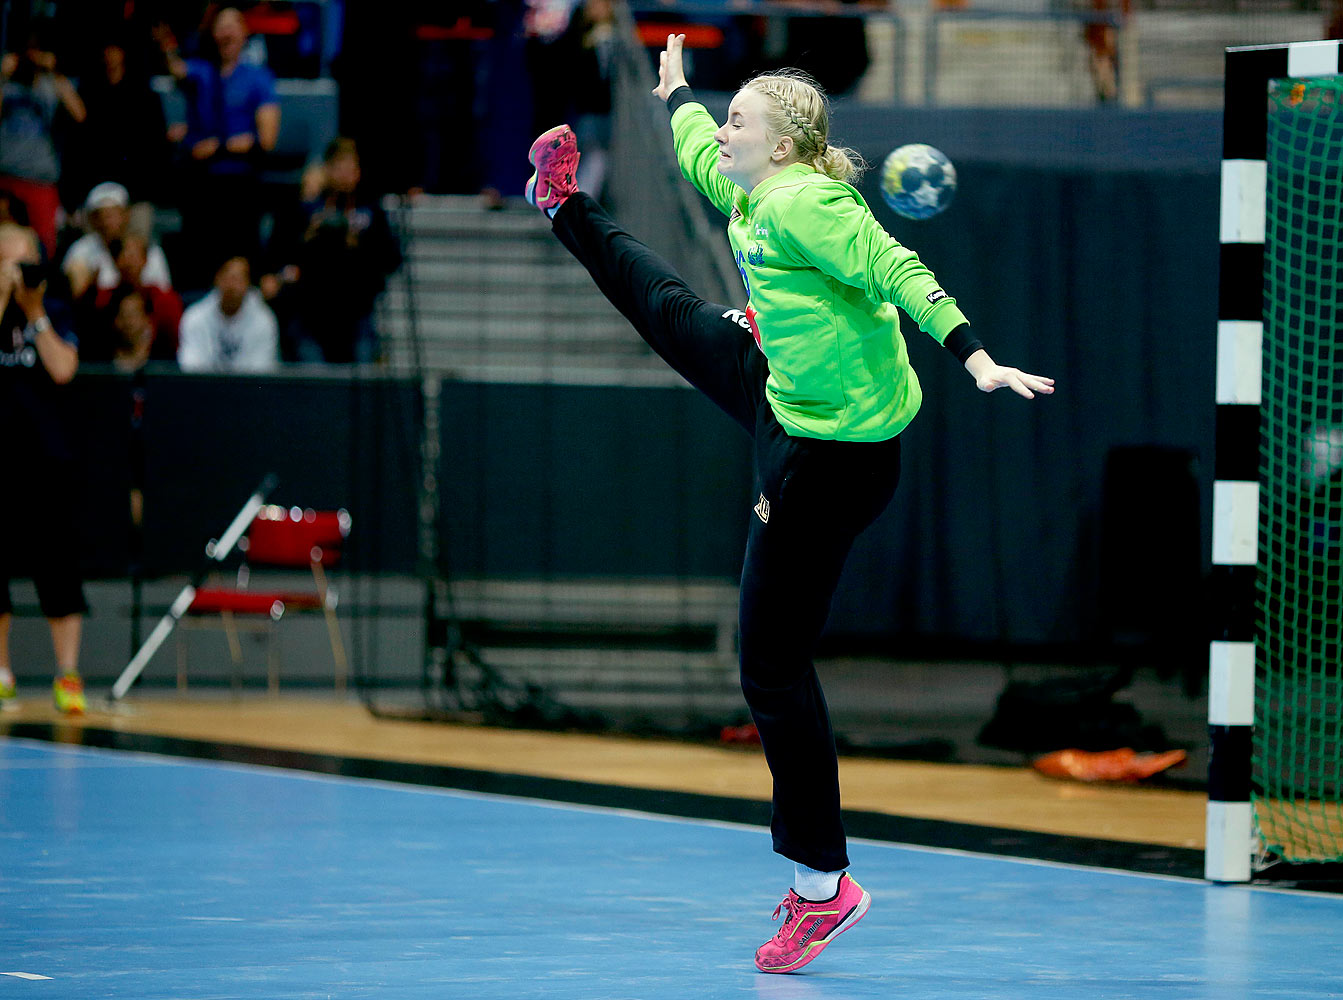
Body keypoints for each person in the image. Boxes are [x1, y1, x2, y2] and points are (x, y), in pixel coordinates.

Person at [523, 35, 1053, 974]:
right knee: (670, 308)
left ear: (781, 145)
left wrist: (974, 355)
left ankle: (825, 889)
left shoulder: (809, 202)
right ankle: (562, 202)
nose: (724, 129)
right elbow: (694, 148)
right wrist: (679, 90)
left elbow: (896, 270)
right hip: (784, 393)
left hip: (831, 459)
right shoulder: (748, 182)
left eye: (740, 120)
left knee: (768, 664)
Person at [0, 222, 88, 715]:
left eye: (22, 261)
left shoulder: (52, 307)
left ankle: (67, 675)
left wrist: (33, 314)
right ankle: (2, 672)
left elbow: (63, 369)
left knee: (57, 566)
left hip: (45, 460)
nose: (15, 272)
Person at [156, 7, 281, 286]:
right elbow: (175, 70)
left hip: (240, 183)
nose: (225, 32)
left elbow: (267, 139)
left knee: (239, 259)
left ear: (244, 32)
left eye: (231, 26)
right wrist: (167, 44)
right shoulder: (203, 71)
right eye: (220, 26)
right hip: (200, 182)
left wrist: (220, 146)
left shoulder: (258, 78)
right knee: (200, 260)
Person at [262, 137, 401, 363]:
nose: (346, 174)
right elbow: (279, 251)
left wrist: (357, 244)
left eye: (351, 167)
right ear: (327, 168)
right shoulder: (306, 207)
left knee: (361, 379)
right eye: (340, 167)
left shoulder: (371, 210)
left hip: (357, 311)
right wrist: (308, 237)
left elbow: (391, 259)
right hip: (312, 311)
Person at [0, 23, 87, 257]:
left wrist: (54, 72)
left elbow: (79, 114)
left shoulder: (52, 84)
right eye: (28, 49)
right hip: (5, 174)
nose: (32, 55)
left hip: (40, 177)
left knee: (42, 247)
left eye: (36, 50)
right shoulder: (7, 84)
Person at [63, 182, 173, 300]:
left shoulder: (152, 251)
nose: (107, 222)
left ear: (126, 214)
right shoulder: (80, 249)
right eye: (101, 216)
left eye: (113, 215)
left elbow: (164, 295)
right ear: (92, 219)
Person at [178, 255, 279, 373]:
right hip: (205, 389)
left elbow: (261, 371)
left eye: (239, 279)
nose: (233, 286)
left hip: (247, 389)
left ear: (248, 284)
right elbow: (190, 368)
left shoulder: (264, 320)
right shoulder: (195, 317)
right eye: (229, 278)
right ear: (217, 279)